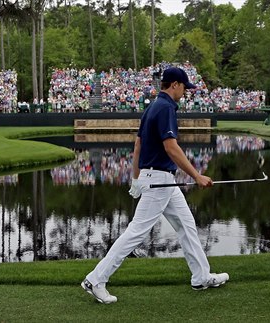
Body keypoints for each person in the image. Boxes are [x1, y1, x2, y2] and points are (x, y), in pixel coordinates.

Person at [81, 67, 229, 304]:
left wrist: (136, 178)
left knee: (186, 223)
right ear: (175, 85)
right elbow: (171, 147)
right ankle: (95, 279)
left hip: (161, 180)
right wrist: (196, 176)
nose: (185, 92)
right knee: (136, 232)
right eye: (184, 87)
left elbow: (138, 145)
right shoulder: (166, 107)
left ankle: (201, 276)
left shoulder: (152, 106)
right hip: (159, 180)